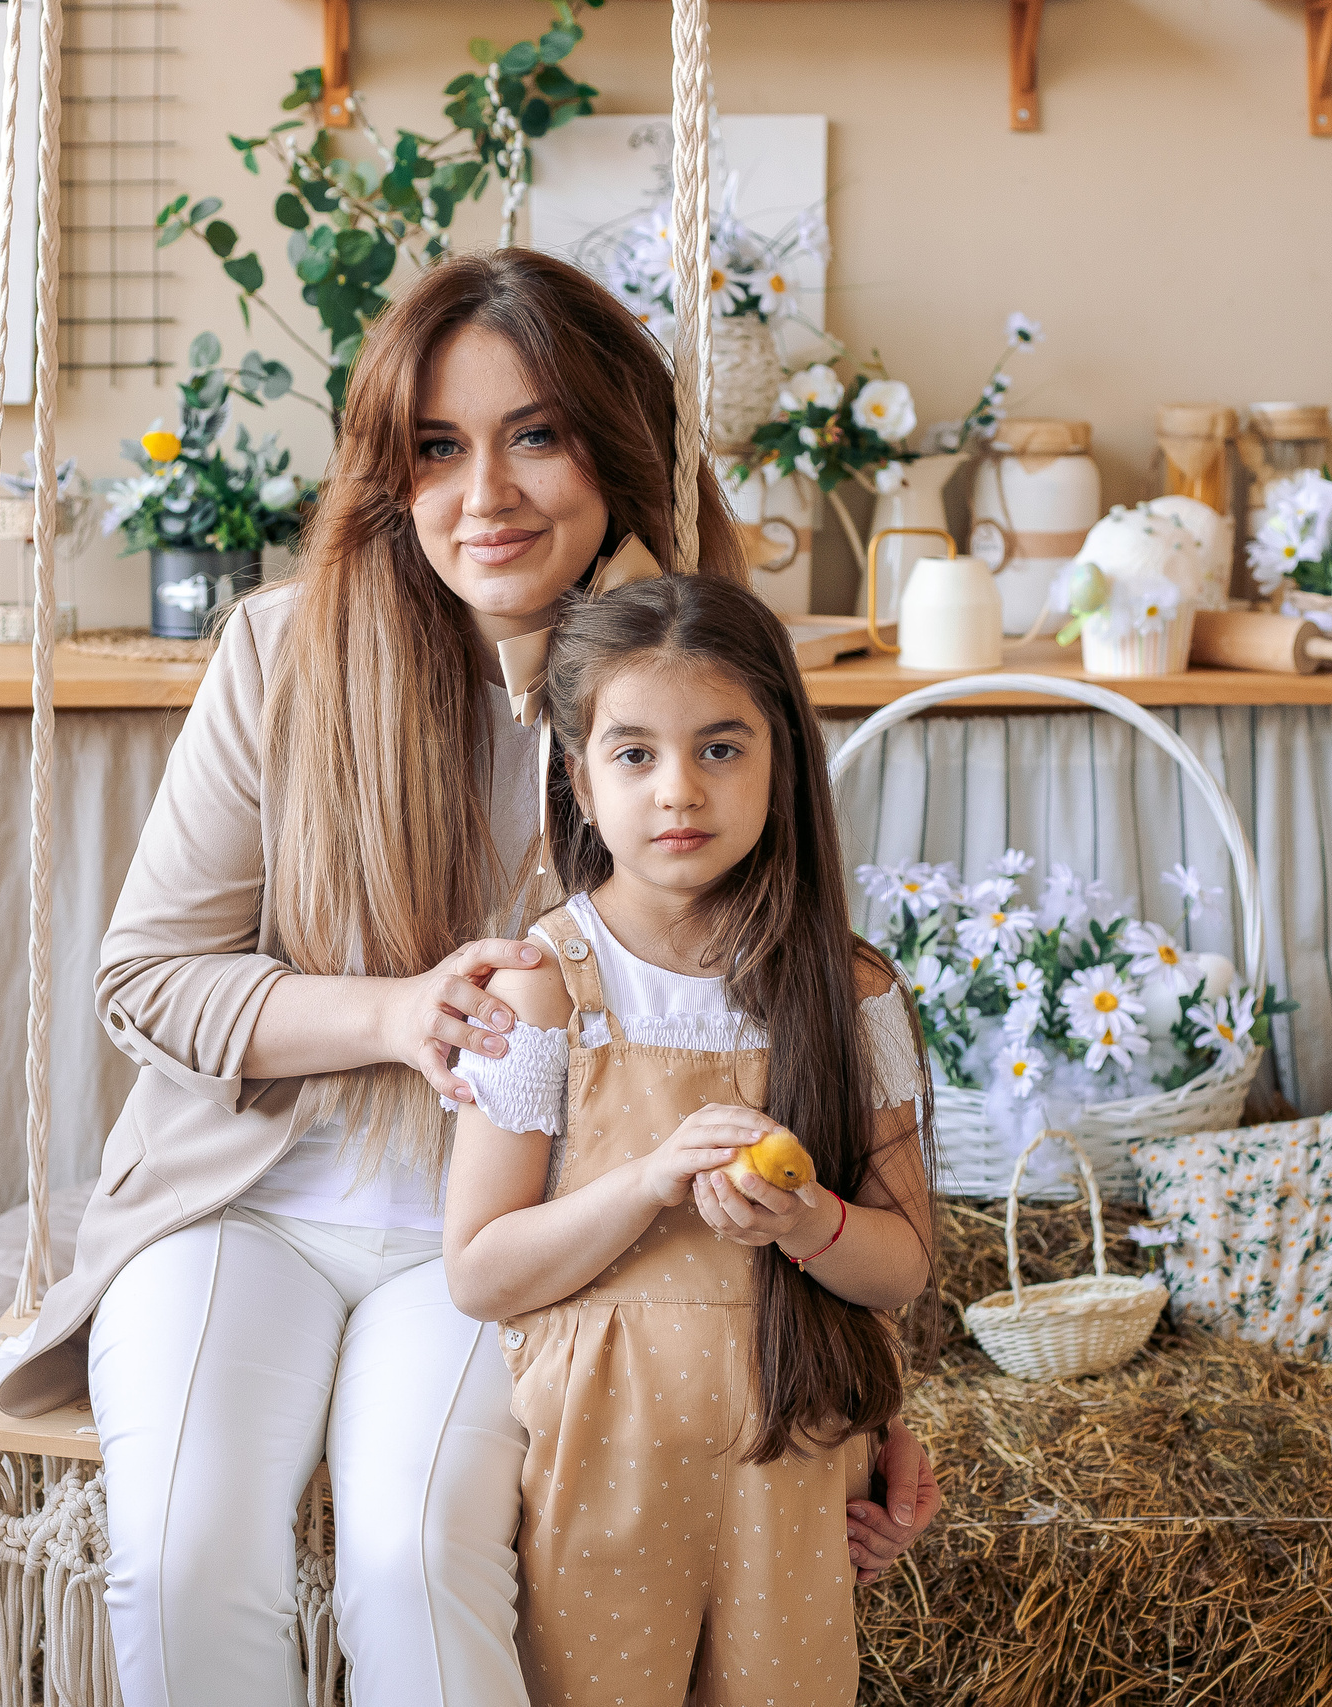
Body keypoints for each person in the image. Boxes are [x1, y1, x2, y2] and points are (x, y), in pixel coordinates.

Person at [0, 248, 943, 1707]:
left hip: (515, 1241)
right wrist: (387, 1011)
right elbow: (146, 977)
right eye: (438, 448)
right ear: (392, 471)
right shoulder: (288, 647)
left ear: (616, 449)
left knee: (418, 1547)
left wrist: (863, 1389)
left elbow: (779, 1037)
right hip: (238, 1202)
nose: (483, 493)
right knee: (185, 1551)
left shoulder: (682, 690)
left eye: (537, 435)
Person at [445, 573, 933, 1706]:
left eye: (721, 749)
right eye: (634, 756)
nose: (679, 791)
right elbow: (479, 1271)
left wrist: (810, 1220)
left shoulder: (847, 988)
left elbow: (900, 1263)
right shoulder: (543, 986)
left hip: (796, 1453)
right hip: (601, 1464)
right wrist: (649, 1183)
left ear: (781, 762)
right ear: (578, 777)